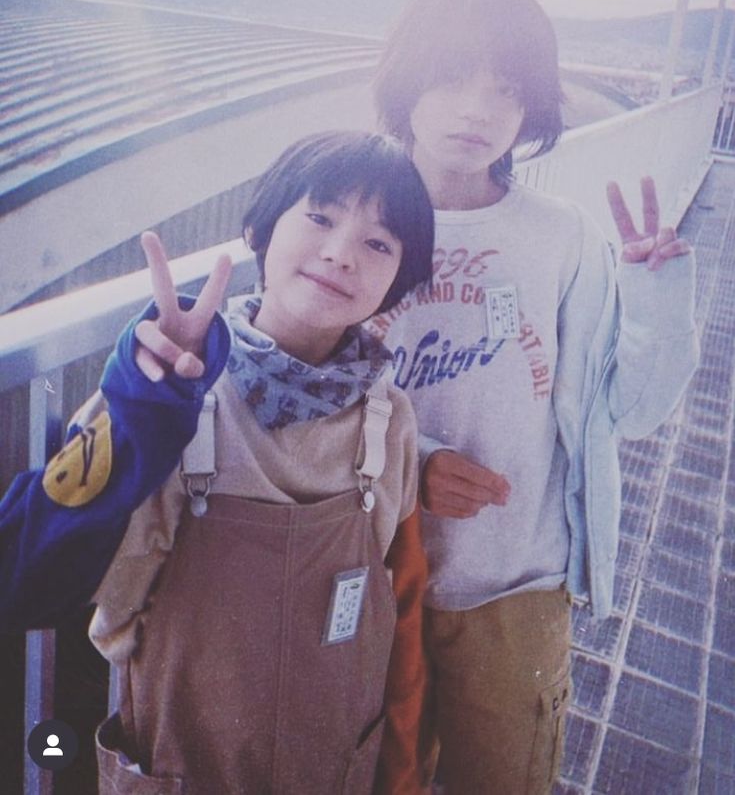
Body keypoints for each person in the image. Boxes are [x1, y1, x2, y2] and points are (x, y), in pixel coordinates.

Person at [0, 130, 436, 794]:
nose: (340, 253)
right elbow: (22, 577)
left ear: (396, 283)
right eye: (319, 216)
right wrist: (143, 410)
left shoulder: (388, 421)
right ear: (261, 229)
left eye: (378, 242)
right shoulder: (171, 397)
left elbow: (398, 609)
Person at [369, 0, 699, 794]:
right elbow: (300, 390)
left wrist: (654, 296)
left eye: (507, 88)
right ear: (407, 77)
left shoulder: (562, 239)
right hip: (367, 574)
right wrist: (412, 465)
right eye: (452, 75)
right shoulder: (352, 223)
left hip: (517, 588)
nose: (477, 107)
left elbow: (631, 410)